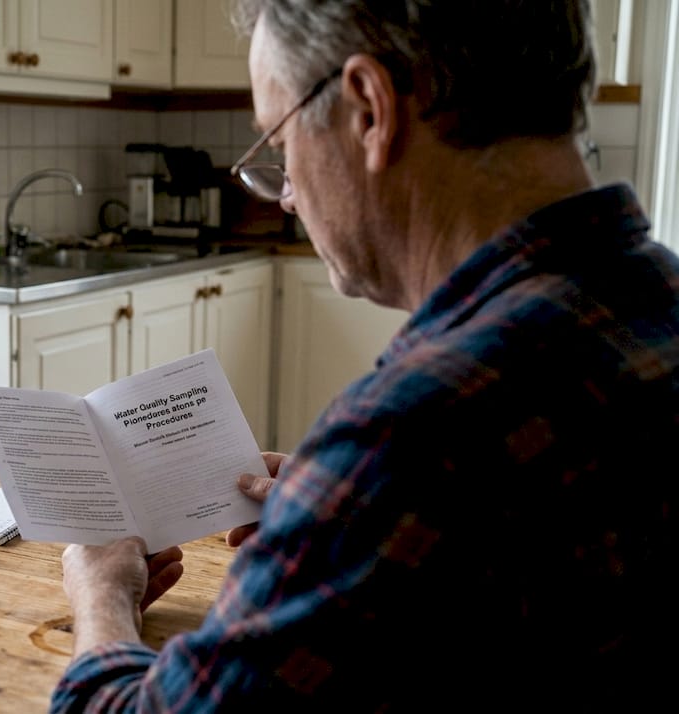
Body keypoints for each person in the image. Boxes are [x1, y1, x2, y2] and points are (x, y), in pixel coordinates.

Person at [52, 1, 679, 710]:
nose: (286, 197)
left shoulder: (413, 437)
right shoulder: (659, 295)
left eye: (280, 150)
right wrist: (341, 518)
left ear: (369, 109)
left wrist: (103, 594)